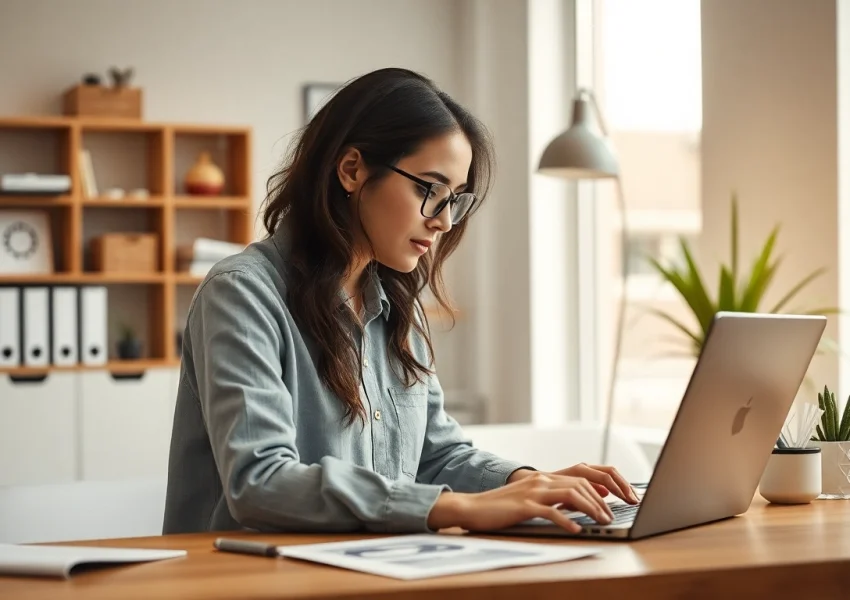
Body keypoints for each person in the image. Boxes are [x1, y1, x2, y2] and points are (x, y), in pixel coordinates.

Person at [162, 67, 640, 536]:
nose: (445, 221)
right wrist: (461, 510)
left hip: (368, 573)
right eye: (430, 190)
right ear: (352, 170)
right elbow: (261, 483)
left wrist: (527, 483)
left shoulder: (393, 306)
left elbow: (435, 454)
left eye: (455, 198)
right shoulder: (242, 293)